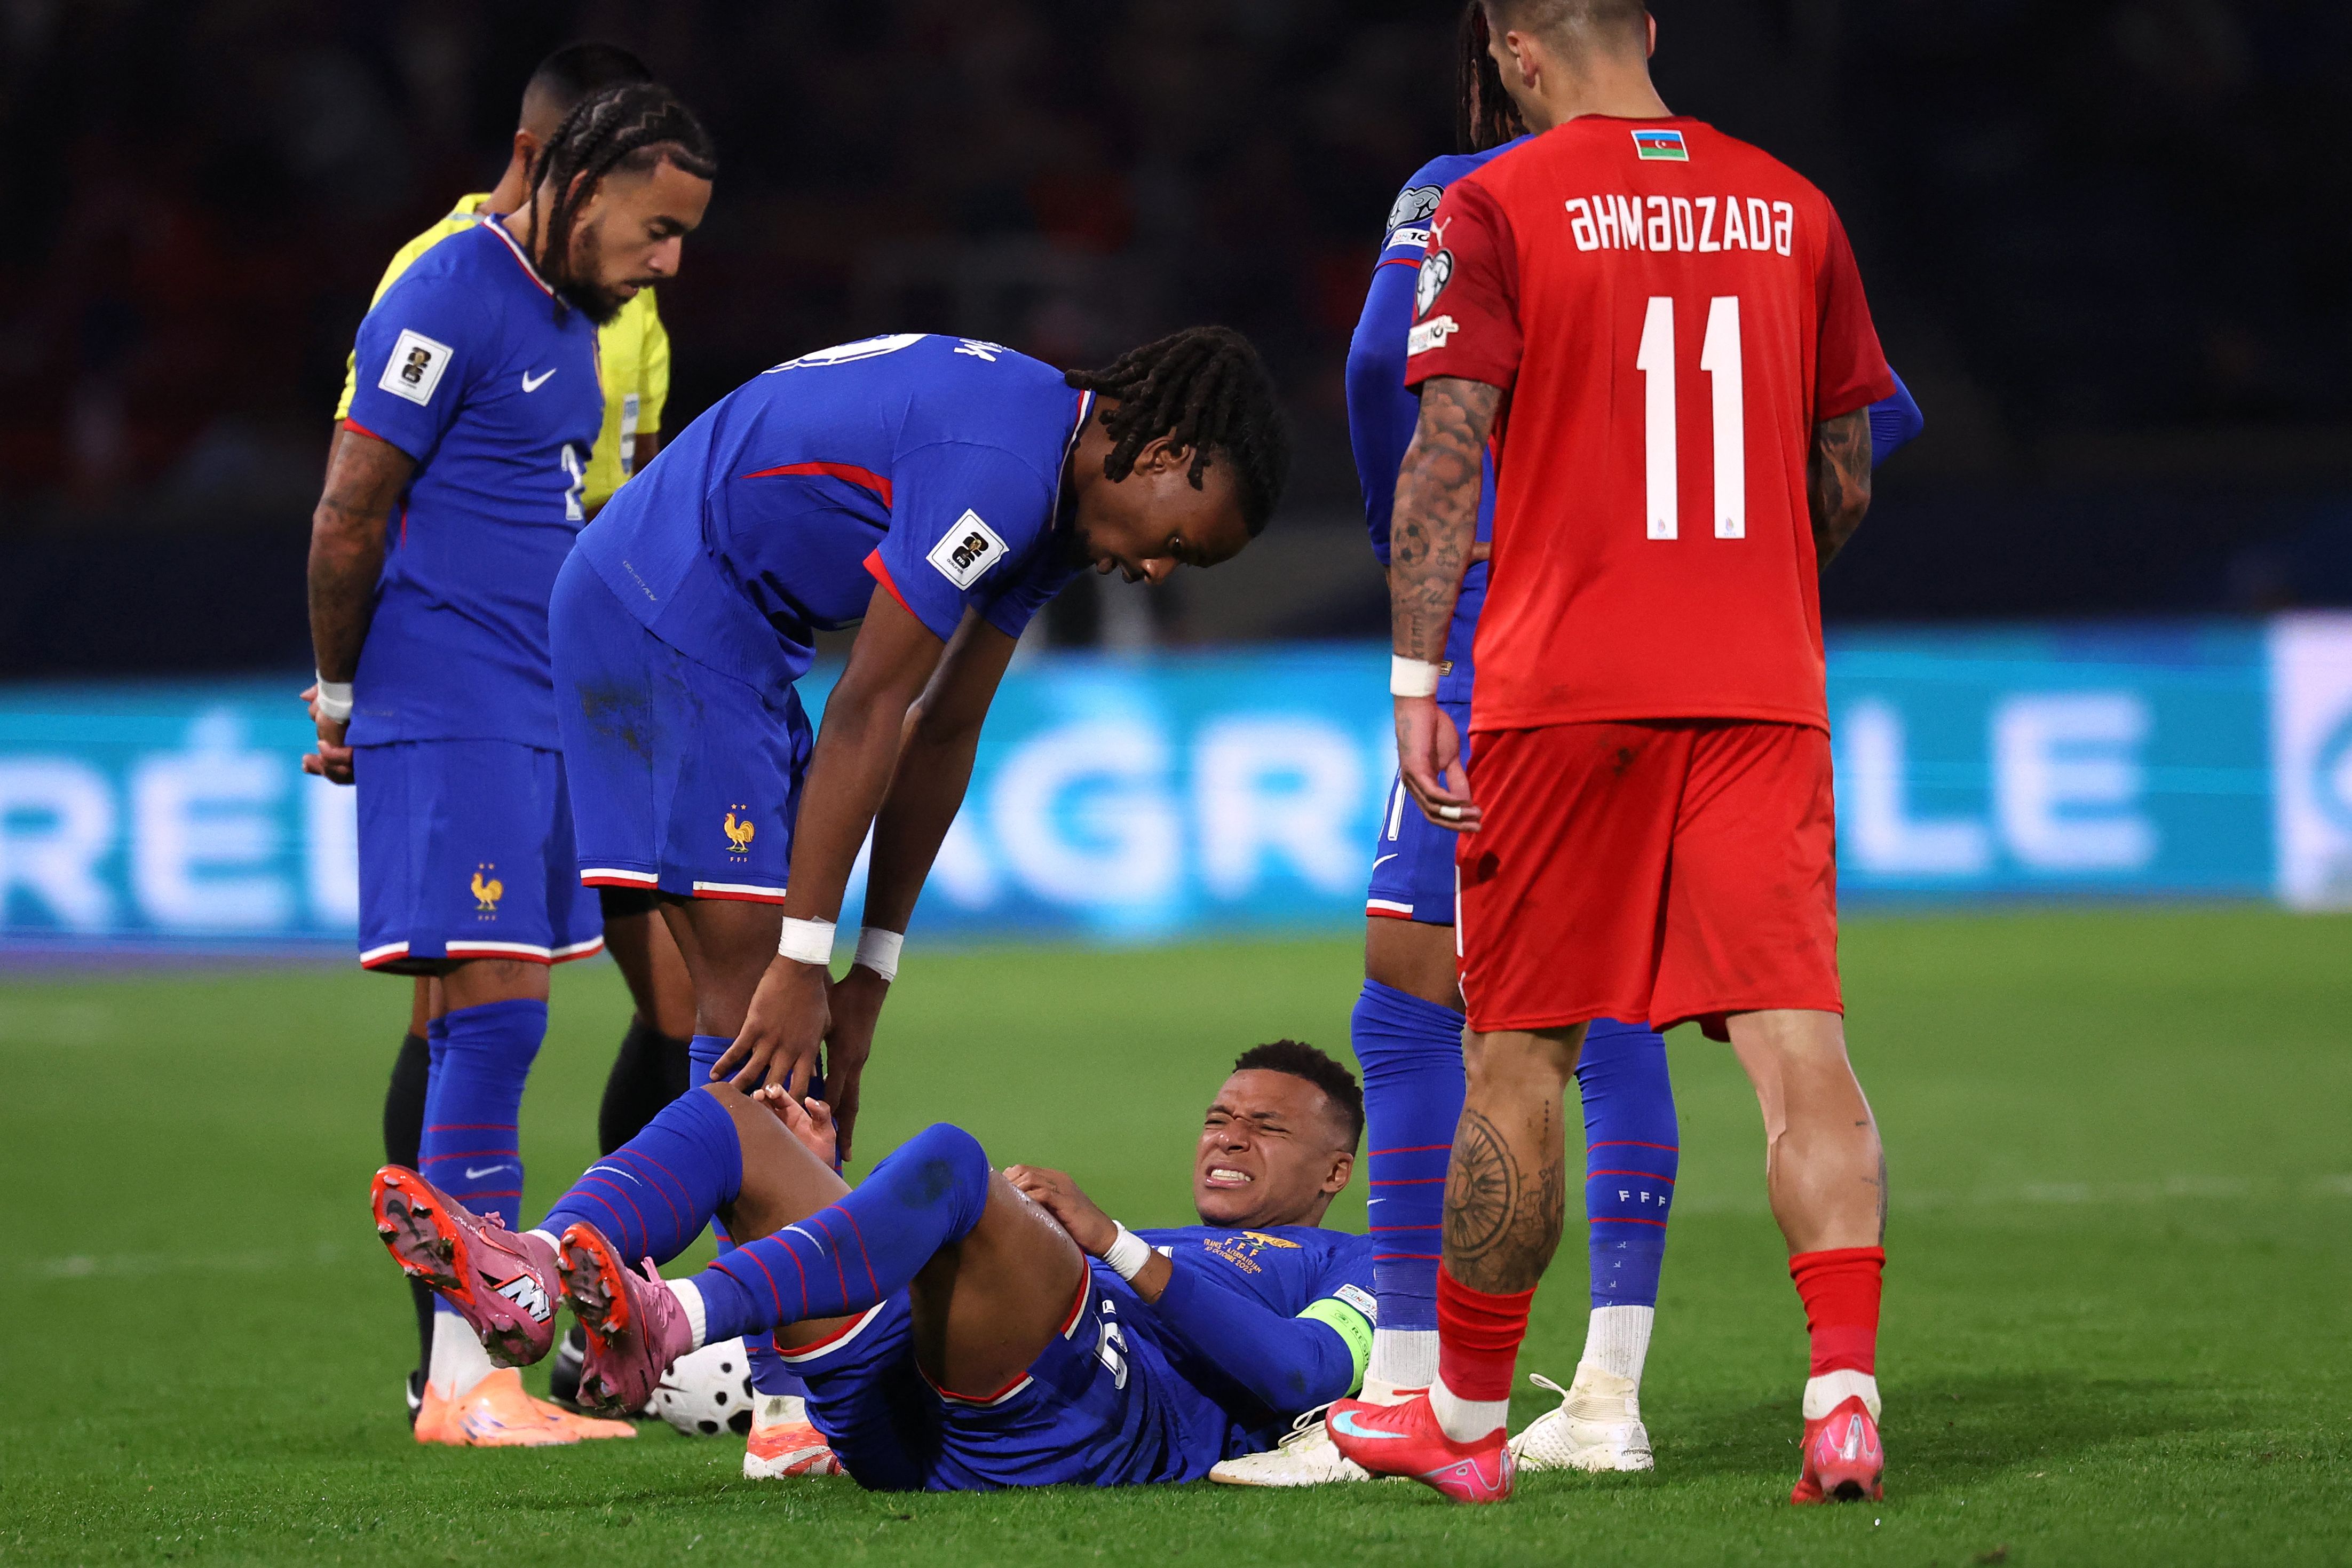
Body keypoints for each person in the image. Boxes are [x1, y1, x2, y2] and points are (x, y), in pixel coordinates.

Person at [1218, 4, 1922, 1492]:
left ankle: (1463, 1418)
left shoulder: (1492, 199)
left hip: (1556, 683)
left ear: (1515, 51)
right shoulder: (1794, 204)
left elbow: (1439, 439)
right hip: (1757, 684)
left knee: (1517, 1052)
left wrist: (1420, 669)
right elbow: (1849, 469)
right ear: (1648, 27)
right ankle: (1841, 1397)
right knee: (1800, 1051)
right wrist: (1741, 585)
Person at [549, 324, 1287, 1471]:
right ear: (1163, 454)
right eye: (1179, 543)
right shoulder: (999, 468)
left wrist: (869, 971)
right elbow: (869, 706)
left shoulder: (1052, 500)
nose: (1155, 572)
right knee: (751, 1009)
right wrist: (804, 958)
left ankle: (672, 1331)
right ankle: (756, 1388)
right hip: (671, 602)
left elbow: (941, 731)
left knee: (749, 1026)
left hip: (722, 619)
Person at [303, 81, 717, 1446]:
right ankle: (465, 1380)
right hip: (451, 688)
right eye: (655, 228)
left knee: (487, 1018)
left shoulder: (570, 322)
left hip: (537, 696)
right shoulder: (444, 291)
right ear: (575, 181)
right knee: (491, 1015)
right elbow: (350, 509)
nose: (668, 262)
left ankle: (479, 1368)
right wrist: (343, 693)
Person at [369, 1042, 1377, 1489]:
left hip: (1073, 1428)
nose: (1229, 1136)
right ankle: (536, 1269)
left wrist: (1111, 1240)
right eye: (1220, 1116)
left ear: (1336, 1170)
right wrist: (827, 1187)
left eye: (1267, 1126)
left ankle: (672, 1317)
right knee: (738, 1119)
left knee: (953, 1161)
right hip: (902, 1430)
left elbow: (1300, 1372)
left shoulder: (1361, 1263)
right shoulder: (1175, 1245)